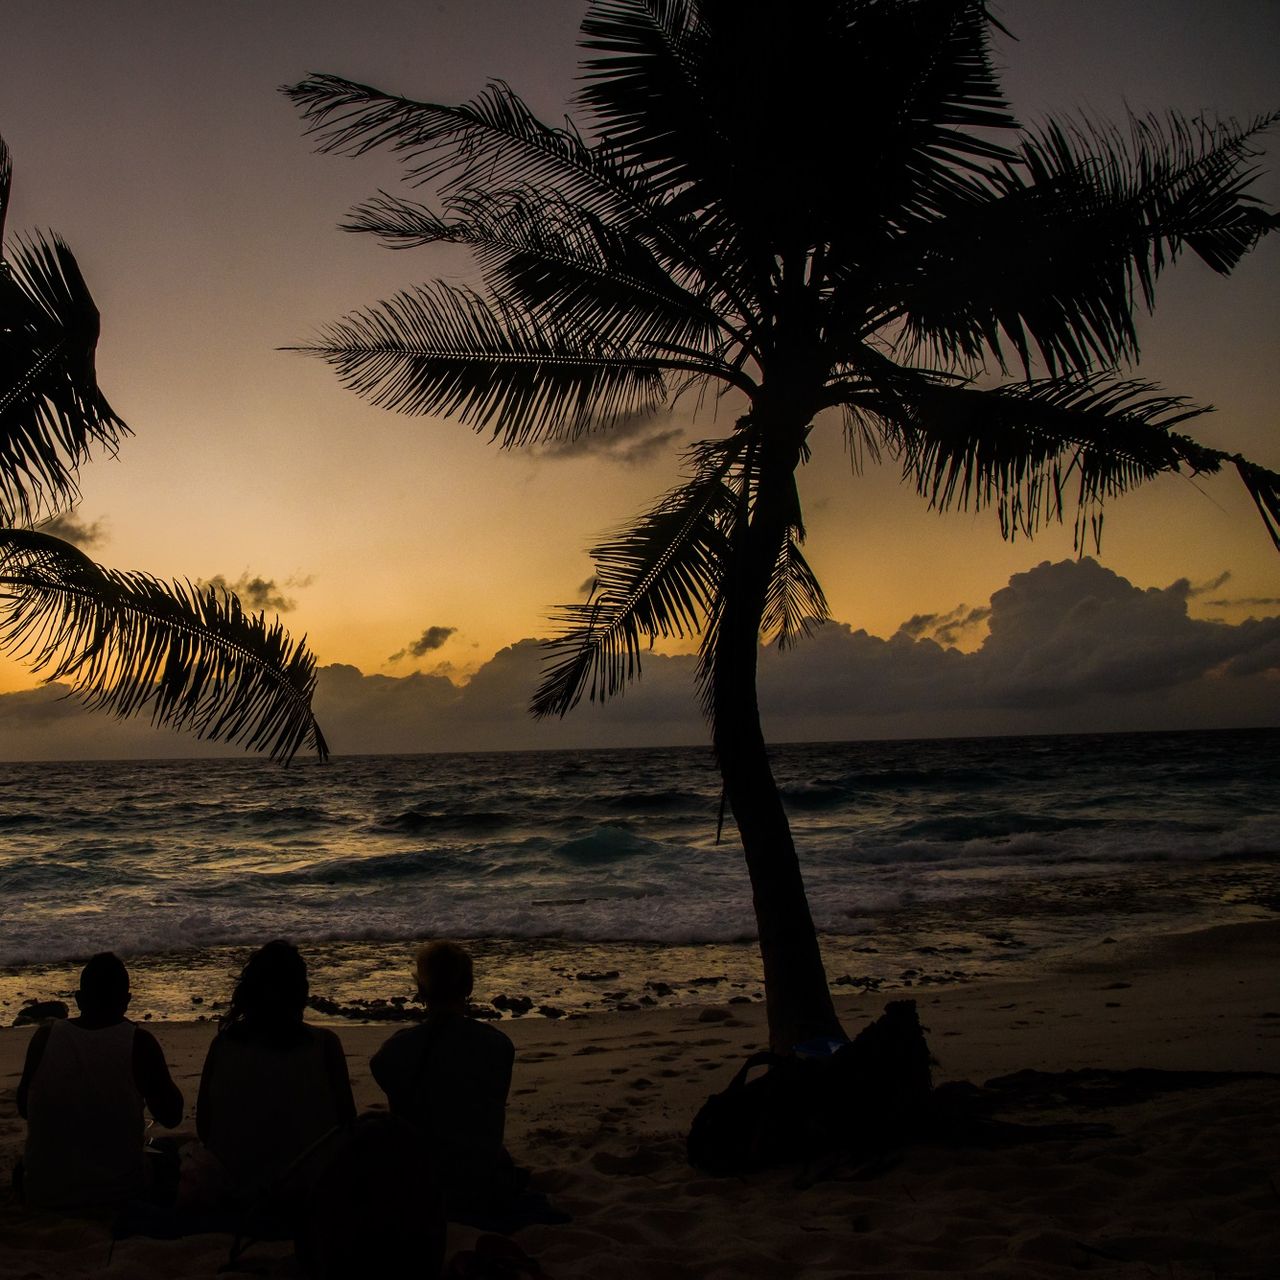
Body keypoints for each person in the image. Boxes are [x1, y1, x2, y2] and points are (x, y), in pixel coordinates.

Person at [16, 952, 183, 1210]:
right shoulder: (138, 1042)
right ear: (126, 1001)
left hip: (44, 1193)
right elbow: (172, 1115)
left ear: (79, 999)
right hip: (119, 1193)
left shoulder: (44, 1038)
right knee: (169, 1155)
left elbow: (24, 1108)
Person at [193, 940, 355, 1205]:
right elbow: (347, 1126)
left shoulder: (223, 1044)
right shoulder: (324, 1045)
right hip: (307, 1195)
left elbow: (205, 1127)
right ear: (302, 992)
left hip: (238, 1194)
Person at [371, 941, 518, 1215]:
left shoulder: (395, 1051)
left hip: (424, 1180)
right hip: (479, 1177)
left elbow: (386, 1077)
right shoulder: (499, 1046)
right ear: (468, 988)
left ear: (421, 990)